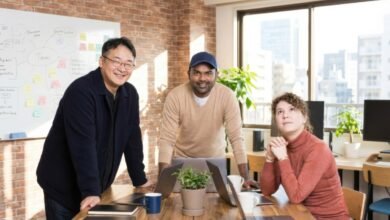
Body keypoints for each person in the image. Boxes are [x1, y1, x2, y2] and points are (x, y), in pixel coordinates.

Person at [36, 37, 152, 219]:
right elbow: (83, 145)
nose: (122, 68)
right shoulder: (81, 92)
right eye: (116, 61)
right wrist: (91, 191)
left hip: (95, 185)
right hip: (62, 185)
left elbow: (132, 139)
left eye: (128, 64)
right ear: (101, 61)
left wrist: (140, 179)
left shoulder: (130, 94)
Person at [158, 51, 256, 188]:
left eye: (208, 73)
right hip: (183, 162)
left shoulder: (227, 96)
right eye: (197, 73)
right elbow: (167, 140)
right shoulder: (175, 96)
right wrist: (162, 181)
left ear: (217, 74)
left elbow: (236, 138)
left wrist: (245, 178)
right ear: (189, 74)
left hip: (215, 164)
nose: (202, 78)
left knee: (217, 205)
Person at [260, 92, 349, 219]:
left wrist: (283, 158)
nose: (285, 115)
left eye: (292, 109)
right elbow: (267, 191)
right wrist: (269, 159)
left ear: (304, 118)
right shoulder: (282, 147)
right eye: (280, 112)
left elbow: (296, 197)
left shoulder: (318, 149)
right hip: (300, 214)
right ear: (276, 121)